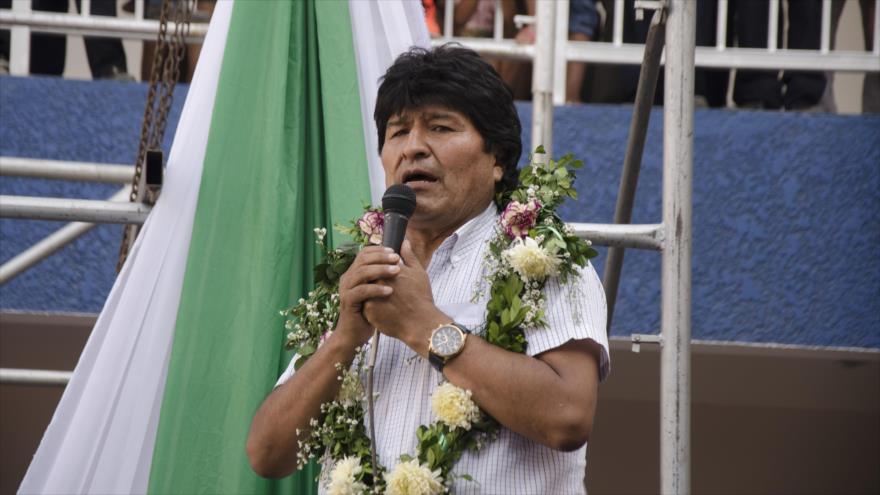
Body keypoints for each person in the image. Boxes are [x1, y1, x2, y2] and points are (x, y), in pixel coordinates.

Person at [246, 44, 609, 493]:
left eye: (440, 127)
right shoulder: (361, 274)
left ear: (496, 158)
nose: (414, 147)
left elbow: (568, 417)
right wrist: (343, 340)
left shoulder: (546, 259)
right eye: (398, 132)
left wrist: (423, 325)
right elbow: (267, 454)